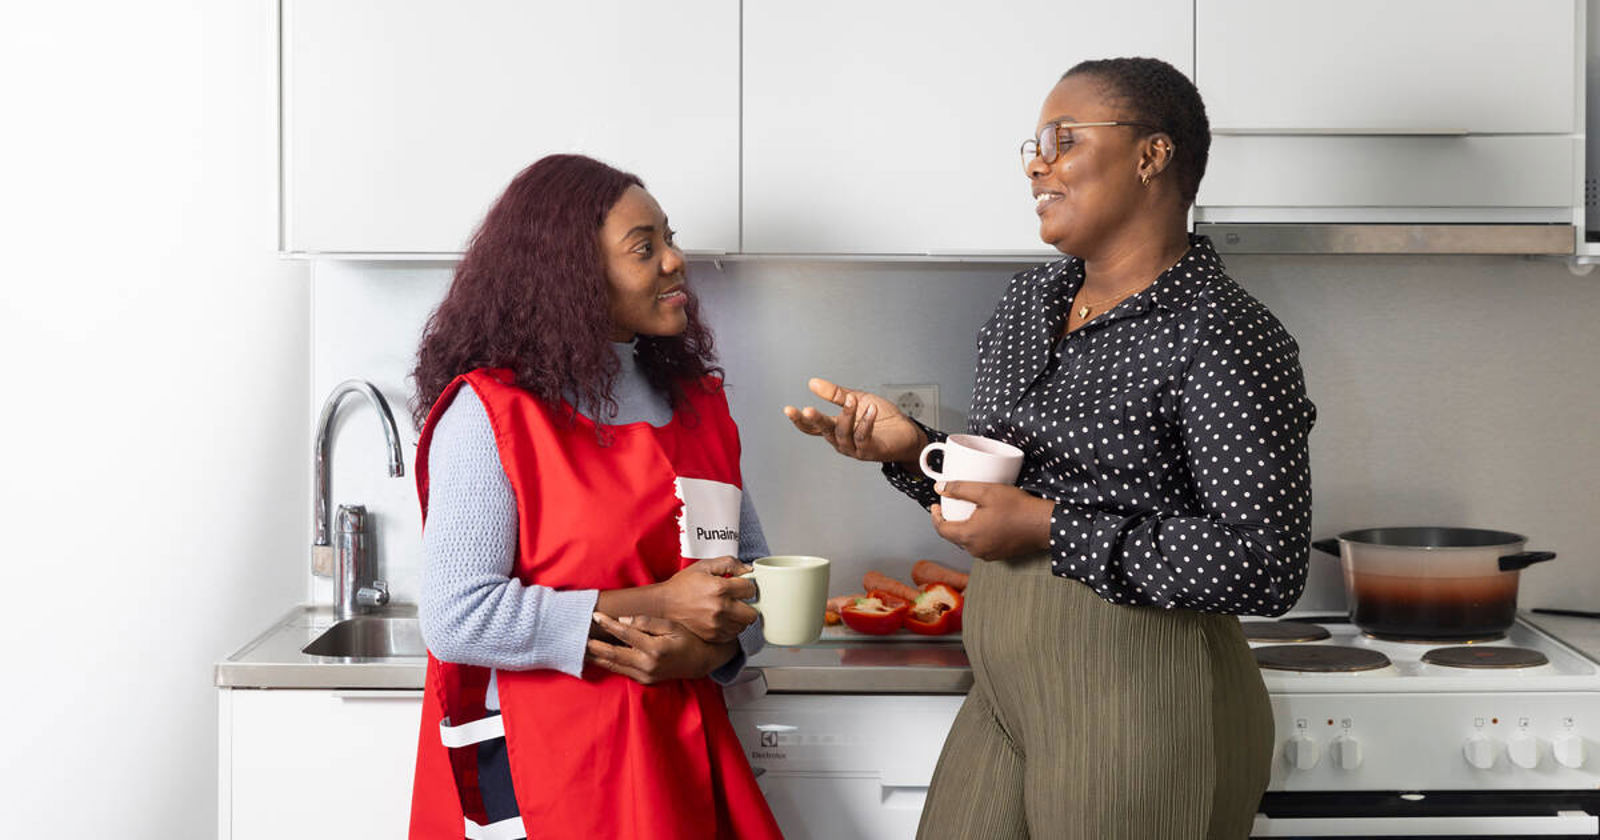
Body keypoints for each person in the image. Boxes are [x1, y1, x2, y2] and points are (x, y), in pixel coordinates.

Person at [785, 57, 1315, 839]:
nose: (1037, 161)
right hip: (1007, 689)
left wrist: (1048, 528)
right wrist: (910, 453)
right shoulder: (1027, 304)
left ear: (1151, 156)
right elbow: (1007, 493)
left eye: (1063, 139)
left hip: (1146, 704)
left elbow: (1265, 563)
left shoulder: (1224, 333)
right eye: (1033, 143)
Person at [406, 154, 783, 839]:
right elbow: (457, 617)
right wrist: (662, 604)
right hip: (552, 771)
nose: (675, 261)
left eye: (668, 238)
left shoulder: (694, 405)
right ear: (572, 276)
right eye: (645, 249)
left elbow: (751, 585)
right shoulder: (491, 414)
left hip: (683, 756)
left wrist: (707, 654)